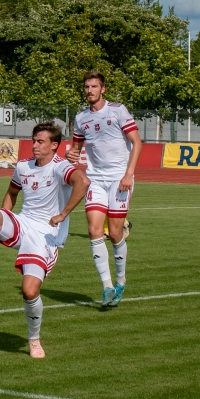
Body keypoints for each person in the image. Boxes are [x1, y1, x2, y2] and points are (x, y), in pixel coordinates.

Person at [0, 122, 89, 359]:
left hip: (45, 235)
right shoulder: (23, 166)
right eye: (33, 141)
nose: (35, 145)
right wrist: (1, 225)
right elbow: (12, 194)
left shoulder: (60, 166)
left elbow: (82, 182)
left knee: (29, 291)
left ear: (54, 145)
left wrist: (63, 214)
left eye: (40, 142)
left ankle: (34, 339)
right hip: (23, 223)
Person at [66, 71, 141, 306]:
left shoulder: (118, 110)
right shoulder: (81, 117)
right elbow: (76, 148)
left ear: (103, 89)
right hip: (95, 180)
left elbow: (137, 142)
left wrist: (128, 175)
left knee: (116, 233)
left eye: (94, 86)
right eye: (87, 87)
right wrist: (71, 154)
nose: (90, 90)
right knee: (94, 230)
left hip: (119, 179)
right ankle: (107, 286)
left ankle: (120, 280)